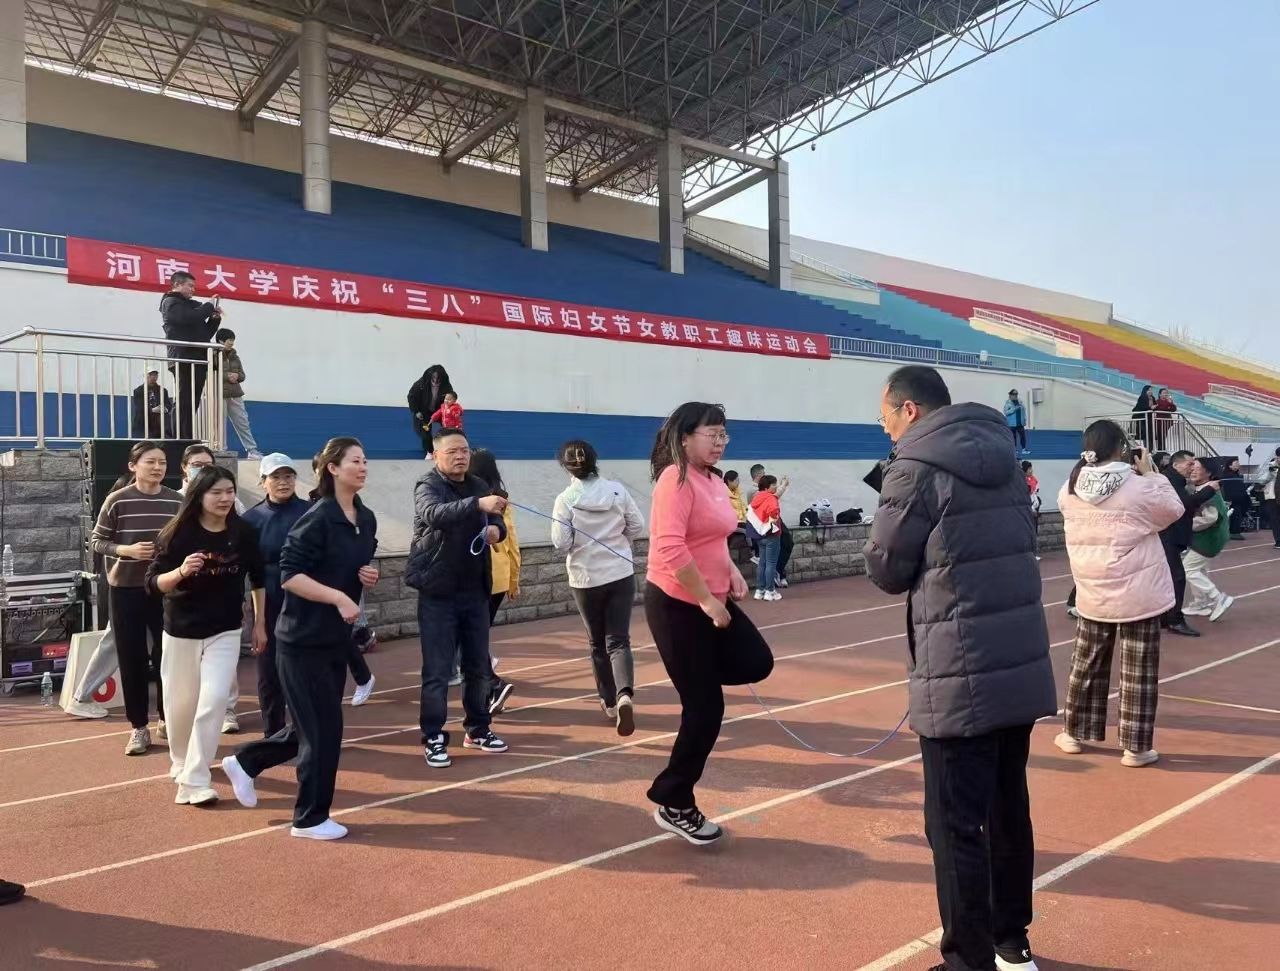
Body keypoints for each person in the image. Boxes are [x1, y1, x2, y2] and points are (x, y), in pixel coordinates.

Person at [864, 365, 1056, 971]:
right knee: (1007, 807)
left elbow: (887, 568)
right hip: (1016, 660)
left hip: (958, 668)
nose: (884, 428)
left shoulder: (913, 468)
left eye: (885, 416)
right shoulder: (1006, 459)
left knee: (953, 825)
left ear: (910, 410)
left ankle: (967, 961)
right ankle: (1010, 941)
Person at [646, 403, 773, 846]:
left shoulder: (715, 481)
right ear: (684, 438)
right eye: (711, 435)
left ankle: (695, 676)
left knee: (756, 661)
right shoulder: (675, 480)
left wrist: (731, 572)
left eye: (723, 435)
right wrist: (705, 599)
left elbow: (714, 537)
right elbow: (670, 548)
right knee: (705, 709)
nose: (720, 443)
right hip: (678, 605)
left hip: (713, 599)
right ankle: (674, 801)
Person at [220, 452, 377, 809]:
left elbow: (355, 561)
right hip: (298, 628)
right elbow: (289, 574)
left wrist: (365, 574)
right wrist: (338, 597)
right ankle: (309, 817)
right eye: (355, 461)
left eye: (365, 460)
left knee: (320, 723)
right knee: (316, 725)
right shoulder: (310, 517)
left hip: (332, 629)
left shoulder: (361, 517)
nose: (363, 467)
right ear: (332, 469)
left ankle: (248, 762)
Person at [1057, 421, 1185, 769]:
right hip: (1138, 592)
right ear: (1122, 448)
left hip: (1092, 589)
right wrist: (1152, 474)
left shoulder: (1069, 487)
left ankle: (1073, 732)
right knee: (1138, 671)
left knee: (1086, 664)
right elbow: (1173, 510)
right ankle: (1136, 747)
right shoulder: (1137, 486)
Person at [146, 466, 266, 807]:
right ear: (199, 495)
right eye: (217, 492)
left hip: (225, 631)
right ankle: (181, 762)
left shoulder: (244, 532)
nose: (225, 498)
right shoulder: (177, 534)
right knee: (180, 706)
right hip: (181, 631)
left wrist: (260, 624)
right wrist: (181, 571)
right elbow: (153, 584)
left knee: (213, 702)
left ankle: (195, 780)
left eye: (229, 491)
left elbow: (259, 579)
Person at [407, 428, 510, 768]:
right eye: (452, 451)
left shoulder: (478, 484)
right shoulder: (428, 485)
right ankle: (433, 736)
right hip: (437, 593)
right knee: (437, 671)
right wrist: (478, 505)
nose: (460, 456)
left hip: (474, 591)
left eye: (464, 450)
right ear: (436, 455)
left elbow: (497, 521)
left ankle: (478, 728)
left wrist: (496, 529)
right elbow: (433, 514)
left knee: (478, 666)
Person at [90, 441, 183, 755]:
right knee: (131, 658)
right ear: (133, 466)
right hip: (125, 589)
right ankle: (138, 727)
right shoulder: (117, 500)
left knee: (167, 655)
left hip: (165, 588)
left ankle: (166, 718)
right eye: (150, 461)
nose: (157, 468)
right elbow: (97, 540)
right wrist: (125, 550)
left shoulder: (177, 501)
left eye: (162, 462)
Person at [550, 439, 645, 736]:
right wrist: (619, 542)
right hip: (619, 573)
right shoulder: (617, 490)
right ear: (595, 461)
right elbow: (637, 525)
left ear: (565, 467)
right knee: (619, 639)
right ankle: (624, 694)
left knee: (597, 642)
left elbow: (560, 543)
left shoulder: (565, 499)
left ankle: (609, 702)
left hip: (585, 578)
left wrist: (581, 544)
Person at [178, 444, 246, 732]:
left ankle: (227, 710)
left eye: (207, 464)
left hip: (223, 594)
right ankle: (182, 718)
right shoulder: (175, 500)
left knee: (224, 663)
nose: (202, 469)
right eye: (196, 464)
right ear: (184, 467)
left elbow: (243, 542)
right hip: (185, 601)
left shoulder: (233, 503)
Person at [467, 448, 519, 716]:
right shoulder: (502, 500)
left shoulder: (473, 501)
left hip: (480, 577)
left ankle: (492, 685)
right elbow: (513, 543)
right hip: (499, 577)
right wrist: (513, 580)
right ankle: (487, 686)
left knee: (470, 637)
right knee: (476, 634)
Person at [1160, 449, 1220, 637]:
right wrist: (1209, 490)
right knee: (1177, 576)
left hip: (1169, 534)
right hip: (1167, 535)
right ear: (1176, 465)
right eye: (1190, 463)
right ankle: (1174, 620)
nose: (1193, 467)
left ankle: (1165, 617)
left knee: (1168, 577)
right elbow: (1185, 503)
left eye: (1195, 464)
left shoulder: (1175, 480)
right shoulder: (1169, 481)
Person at [160, 271, 223, 439]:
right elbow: (188, 318)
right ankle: (177, 437)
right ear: (177, 284)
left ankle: (186, 436)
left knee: (192, 401)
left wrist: (214, 319)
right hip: (183, 357)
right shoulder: (170, 302)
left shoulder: (190, 305)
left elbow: (204, 334)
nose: (193, 289)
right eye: (190, 286)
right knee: (184, 400)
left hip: (198, 358)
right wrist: (208, 306)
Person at [1179, 458, 1234, 622]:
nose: (1193, 470)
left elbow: (1210, 518)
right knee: (1200, 569)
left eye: (1197, 468)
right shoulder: (1203, 488)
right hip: (1209, 536)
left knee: (1188, 569)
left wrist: (1185, 524)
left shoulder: (1209, 491)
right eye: (1192, 467)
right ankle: (1200, 603)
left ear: (1208, 472)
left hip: (1209, 538)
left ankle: (1218, 597)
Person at [216, 328, 262, 459]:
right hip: (219, 395)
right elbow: (209, 373)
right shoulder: (213, 354)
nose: (232, 343)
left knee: (243, 422)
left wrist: (237, 376)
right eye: (229, 340)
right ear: (221, 341)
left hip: (235, 394)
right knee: (219, 424)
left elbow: (242, 375)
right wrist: (226, 376)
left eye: (233, 340)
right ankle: (221, 450)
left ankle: (252, 450)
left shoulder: (235, 357)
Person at [750, 464, 793, 587]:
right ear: (758, 476)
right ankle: (775, 575)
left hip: (774, 518)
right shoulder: (753, 491)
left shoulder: (764, 489)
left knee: (787, 543)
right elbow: (773, 496)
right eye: (763, 474)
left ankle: (778, 572)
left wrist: (780, 485)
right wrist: (783, 485)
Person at [748, 474, 783, 601]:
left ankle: (759, 590)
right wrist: (774, 519)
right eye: (774, 485)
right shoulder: (771, 498)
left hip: (759, 534)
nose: (776, 487)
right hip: (771, 535)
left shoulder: (756, 497)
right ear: (767, 487)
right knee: (771, 563)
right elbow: (774, 511)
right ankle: (770, 591)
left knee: (762, 563)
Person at [406, 364, 454, 455]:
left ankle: (449, 448)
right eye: (433, 378)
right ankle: (430, 451)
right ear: (429, 376)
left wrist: (450, 411)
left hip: (439, 410)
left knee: (449, 428)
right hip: (423, 412)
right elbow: (411, 397)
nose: (435, 381)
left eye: (438, 378)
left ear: (442, 378)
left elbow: (451, 398)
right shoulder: (421, 384)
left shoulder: (446, 386)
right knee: (425, 432)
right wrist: (416, 411)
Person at [130, 369, 173, 439]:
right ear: (145, 376)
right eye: (150, 375)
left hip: (159, 423)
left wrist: (165, 409)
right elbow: (139, 407)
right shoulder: (138, 390)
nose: (153, 377)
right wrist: (152, 410)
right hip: (143, 423)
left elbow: (168, 405)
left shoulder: (163, 390)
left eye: (155, 375)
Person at [1220, 457, 1250, 540]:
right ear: (1230, 466)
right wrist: (1227, 499)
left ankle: (1235, 532)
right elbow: (1226, 489)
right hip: (1230, 501)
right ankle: (1233, 532)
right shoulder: (1226, 476)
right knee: (1234, 516)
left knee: (1238, 516)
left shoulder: (1237, 476)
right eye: (1236, 463)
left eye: (1238, 463)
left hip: (1239, 500)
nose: (1238, 464)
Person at [1259, 447, 1280, 548]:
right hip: (1272, 496)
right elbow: (1261, 480)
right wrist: (1270, 473)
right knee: (1275, 519)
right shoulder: (1270, 466)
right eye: (1278, 457)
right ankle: (1278, 541)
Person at [1022, 461, 1041, 561]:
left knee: (1034, 531)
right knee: (1028, 531)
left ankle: (1033, 553)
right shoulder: (1022, 481)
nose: (1031, 471)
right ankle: (1029, 553)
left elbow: (1036, 490)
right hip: (1028, 509)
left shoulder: (1033, 479)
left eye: (1031, 468)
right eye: (1029, 469)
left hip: (1034, 505)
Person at [1003, 389, 1029, 455]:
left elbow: (1023, 411)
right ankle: (1014, 450)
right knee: (1013, 437)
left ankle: (1024, 449)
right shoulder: (1008, 403)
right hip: (1012, 424)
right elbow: (1006, 412)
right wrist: (1014, 409)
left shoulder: (1020, 402)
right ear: (1010, 395)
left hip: (1020, 423)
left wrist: (1024, 420)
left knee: (1023, 436)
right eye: (1014, 394)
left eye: (1016, 394)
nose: (1015, 396)